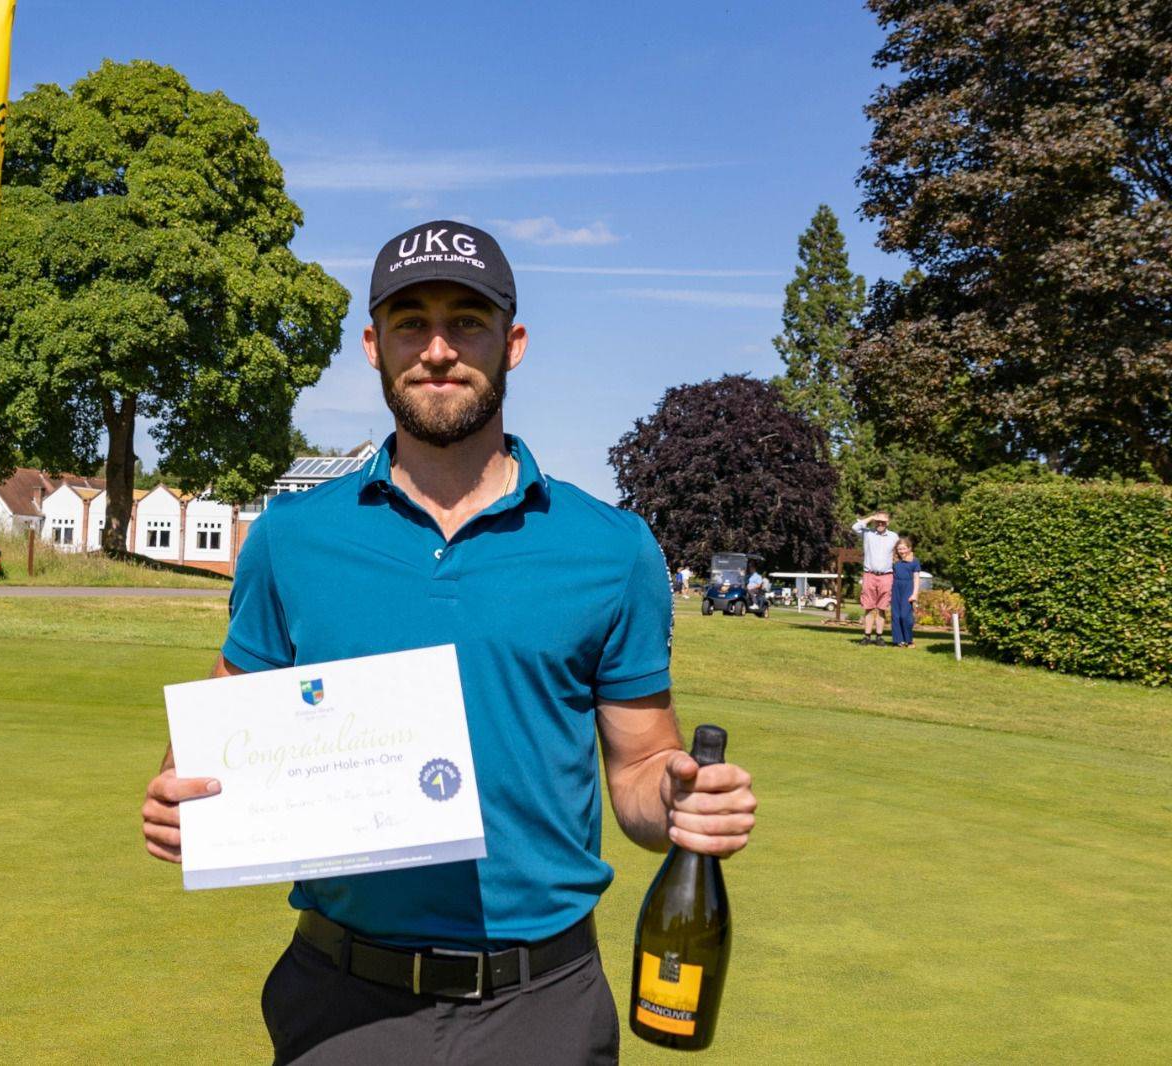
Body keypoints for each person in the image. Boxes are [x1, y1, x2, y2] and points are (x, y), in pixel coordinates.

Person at [141, 220, 758, 1065]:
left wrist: (681, 802)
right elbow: (219, 726)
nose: (438, 348)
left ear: (513, 341)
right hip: (341, 999)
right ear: (372, 344)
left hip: (541, 1002)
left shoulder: (613, 548)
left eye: (466, 320)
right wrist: (184, 796)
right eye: (410, 322)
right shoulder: (290, 537)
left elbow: (641, 770)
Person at [851, 511, 899, 646]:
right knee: (868, 607)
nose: (880, 524)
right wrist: (871, 517)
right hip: (870, 574)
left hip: (886, 576)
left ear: (888, 523)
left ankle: (879, 636)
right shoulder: (868, 533)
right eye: (878, 521)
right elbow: (855, 527)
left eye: (883, 522)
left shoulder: (894, 536)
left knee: (882, 608)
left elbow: (900, 552)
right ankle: (867, 636)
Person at [891, 537, 921, 647]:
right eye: (899, 549)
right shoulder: (894, 560)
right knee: (896, 616)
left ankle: (909, 640)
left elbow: (916, 578)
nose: (902, 551)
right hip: (895, 588)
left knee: (905, 616)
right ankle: (898, 641)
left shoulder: (914, 561)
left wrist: (915, 594)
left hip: (908, 588)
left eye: (904, 548)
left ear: (909, 548)